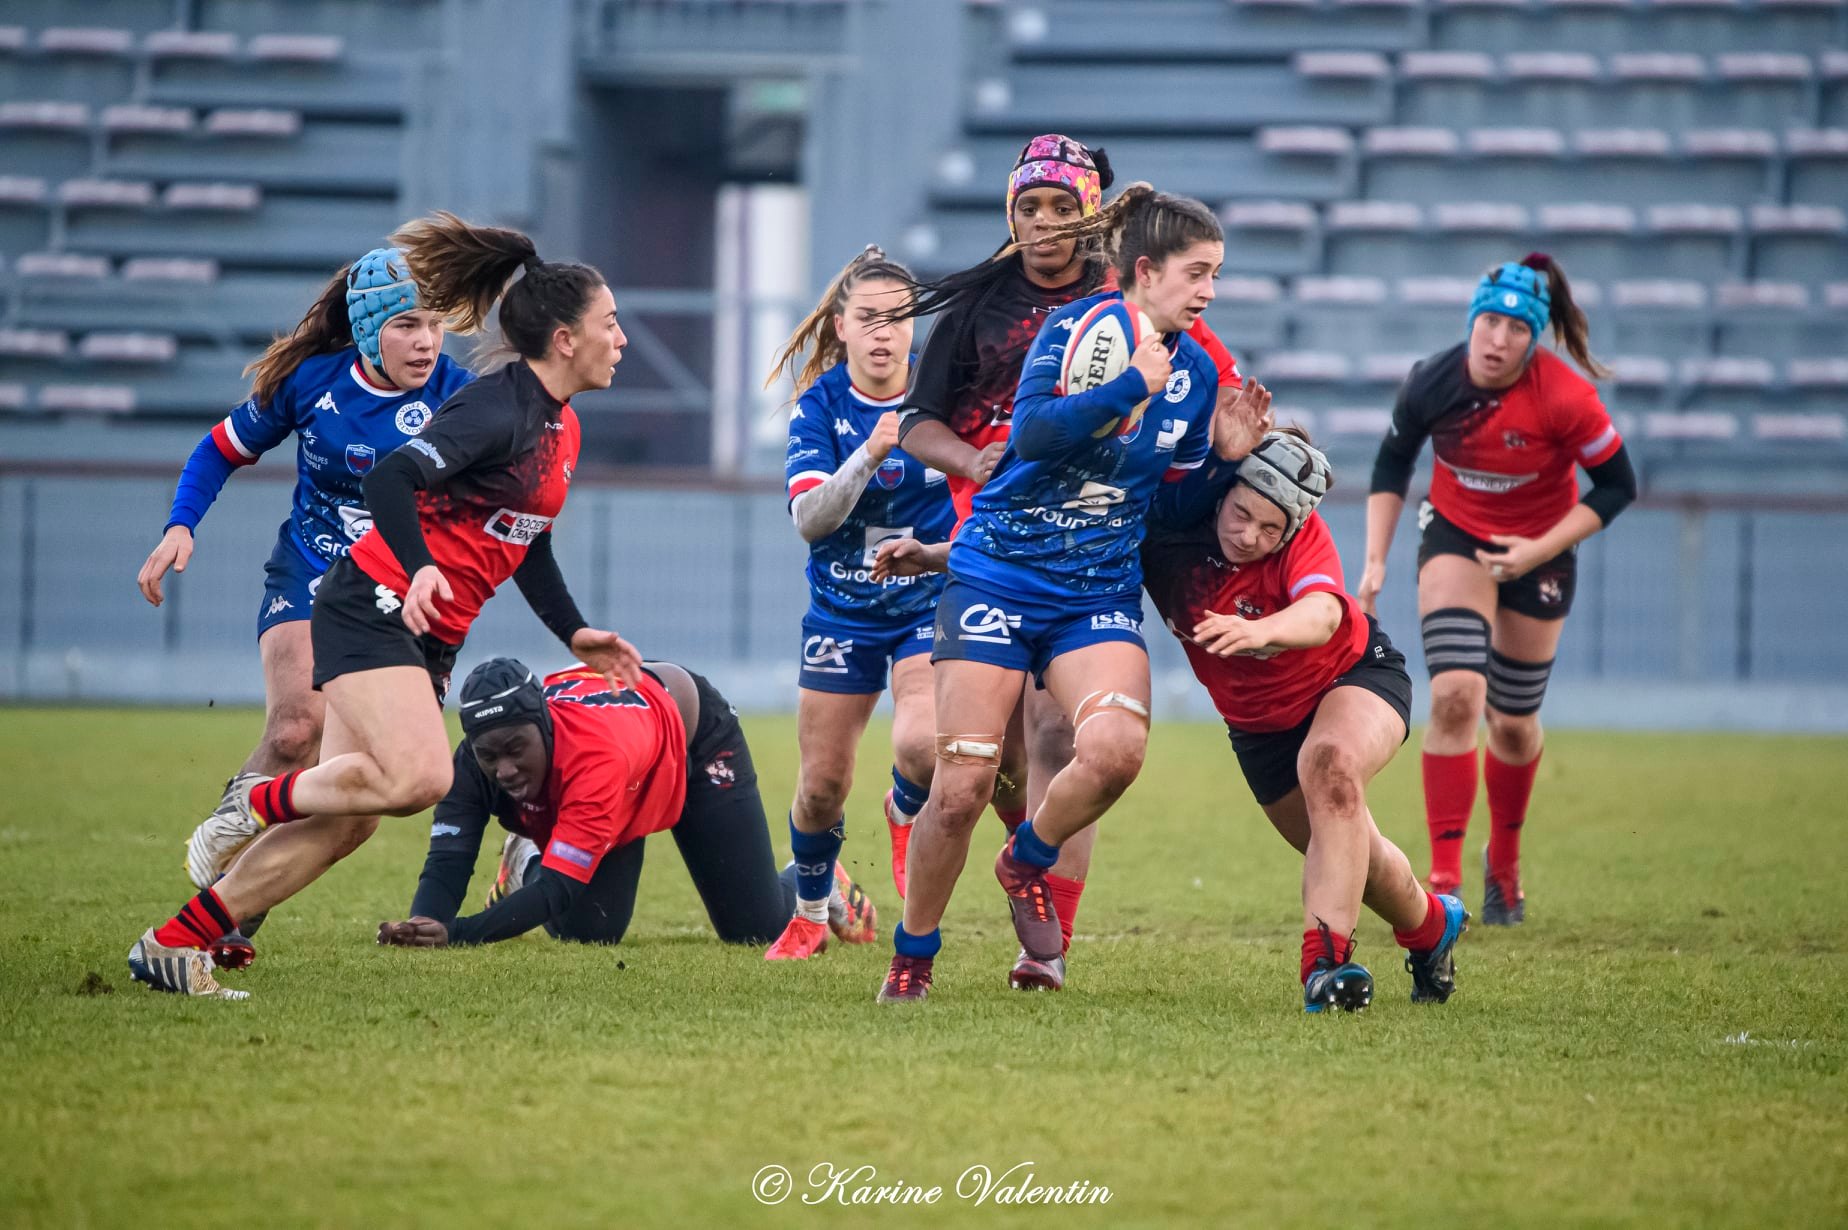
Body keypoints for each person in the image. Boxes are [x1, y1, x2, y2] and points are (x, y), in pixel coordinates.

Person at [128, 213, 642, 998]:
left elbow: (526, 539)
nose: (623, 338)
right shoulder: (495, 408)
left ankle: (176, 942)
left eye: (434, 324)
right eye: (611, 323)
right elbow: (387, 481)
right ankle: (255, 801)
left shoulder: (556, 425)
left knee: (352, 818)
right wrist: (420, 566)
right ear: (566, 339)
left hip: (421, 626)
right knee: (419, 775)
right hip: (368, 601)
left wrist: (575, 631)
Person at [884, 133, 1246, 989]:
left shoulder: (1194, 364)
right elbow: (1037, 432)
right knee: (969, 781)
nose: (1210, 291)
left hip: (1096, 587)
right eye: (1200, 274)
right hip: (998, 567)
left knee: (1106, 748)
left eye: (1213, 277)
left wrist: (1229, 456)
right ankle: (913, 958)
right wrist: (1127, 389)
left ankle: (1031, 874)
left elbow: (1179, 500)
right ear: (1149, 269)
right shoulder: (1070, 326)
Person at [138, 248, 473, 956]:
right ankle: (228, 844)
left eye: (435, 326)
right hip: (311, 571)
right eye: (408, 326)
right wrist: (179, 525)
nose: (426, 342)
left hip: (396, 594)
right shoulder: (309, 382)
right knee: (297, 728)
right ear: (368, 328)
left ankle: (233, 907)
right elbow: (220, 449)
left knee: (363, 808)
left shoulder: (457, 396)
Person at [1142, 429, 1470, 1012]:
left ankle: (1324, 971)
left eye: (1270, 529)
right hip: (1259, 728)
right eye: (1241, 515)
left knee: (1332, 768)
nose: (1250, 537)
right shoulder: (1167, 532)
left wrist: (1262, 629)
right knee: (1357, 866)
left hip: (1351, 678)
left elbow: (1322, 613)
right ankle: (1430, 928)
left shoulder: (1304, 534)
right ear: (1223, 493)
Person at [1359, 253, 1636, 924]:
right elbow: (1393, 461)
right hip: (1457, 538)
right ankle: (1445, 875)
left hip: (1541, 552)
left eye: (1516, 329)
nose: (1497, 339)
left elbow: (1619, 485)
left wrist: (1539, 549)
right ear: (1472, 322)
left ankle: (1503, 867)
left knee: (1512, 725)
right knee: (1455, 696)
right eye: (1488, 322)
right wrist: (1374, 561)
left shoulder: (1565, 397)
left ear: (1533, 337)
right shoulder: (1434, 379)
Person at [377, 657, 870, 950]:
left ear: (546, 726)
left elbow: (560, 889)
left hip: (694, 736)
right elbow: (448, 856)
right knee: (590, 934)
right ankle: (525, 859)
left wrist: (459, 935)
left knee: (754, 929)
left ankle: (820, 881)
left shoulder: (597, 760)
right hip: (626, 769)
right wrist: (425, 924)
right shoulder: (470, 761)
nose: (503, 768)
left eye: (515, 749)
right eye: (489, 756)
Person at [757, 246, 942, 959]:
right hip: (842, 611)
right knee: (822, 786)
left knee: (923, 746)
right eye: (868, 318)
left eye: (898, 318)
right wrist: (867, 454)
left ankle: (903, 808)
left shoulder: (939, 396)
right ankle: (810, 911)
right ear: (841, 326)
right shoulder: (821, 407)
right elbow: (808, 520)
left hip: (928, 598)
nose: (884, 332)